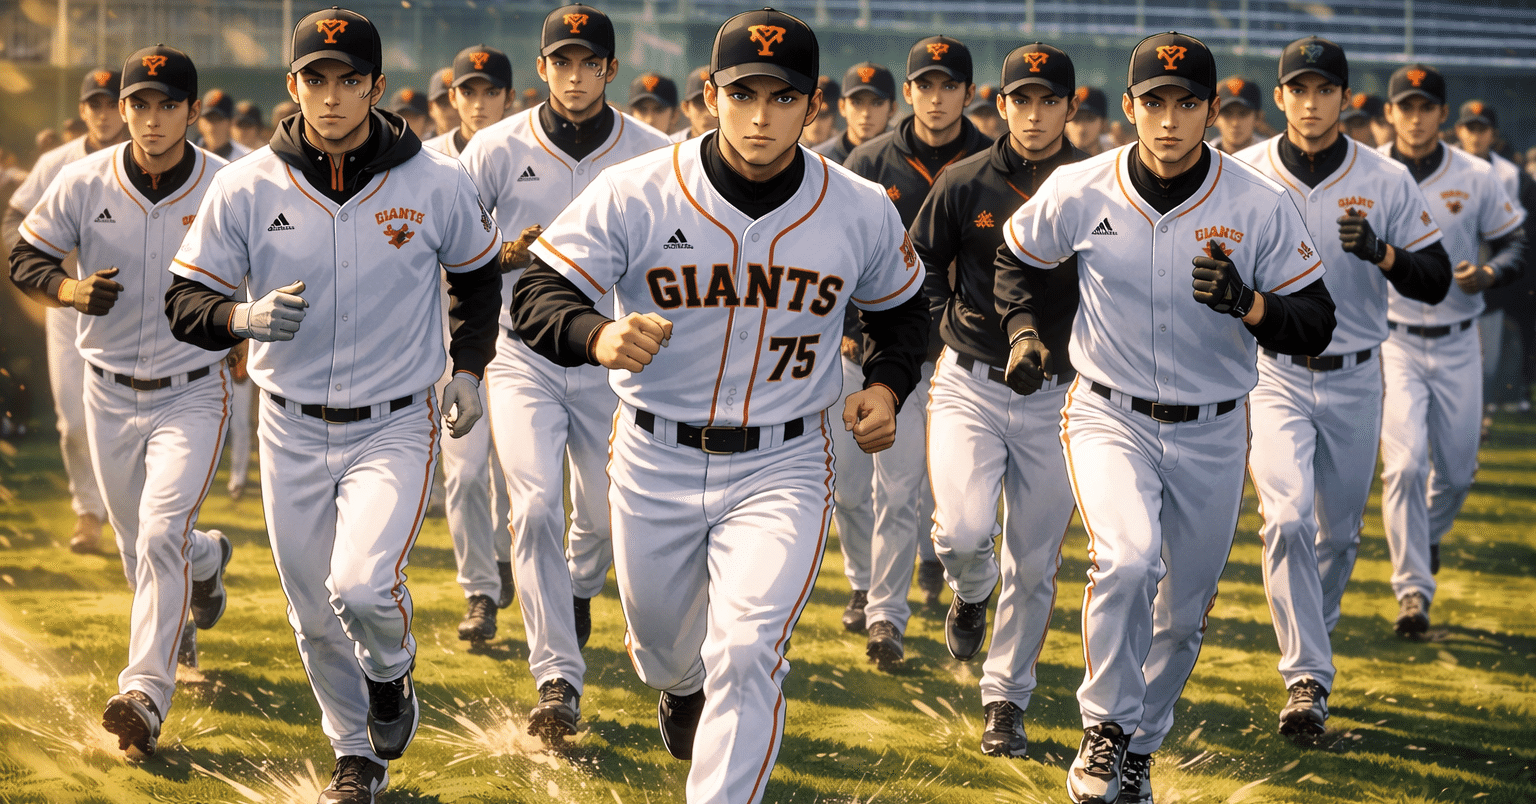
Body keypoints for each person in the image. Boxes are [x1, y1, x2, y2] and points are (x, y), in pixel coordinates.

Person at [510, 10, 927, 800]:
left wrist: (886, 383)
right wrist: (595, 334)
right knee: (664, 651)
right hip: (653, 454)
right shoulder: (637, 191)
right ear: (710, 95)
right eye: (742, 93)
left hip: (787, 459)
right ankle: (677, 681)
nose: (761, 115)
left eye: (782, 96)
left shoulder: (861, 206)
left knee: (747, 649)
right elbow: (538, 289)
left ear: (816, 106)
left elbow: (905, 310)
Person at [164, 9, 503, 802]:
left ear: (377, 88)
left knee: (358, 584)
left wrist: (470, 368)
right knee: (313, 613)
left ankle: (391, 672)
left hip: (394, 420)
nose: (331, 95)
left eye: (349, 79)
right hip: (287, 422)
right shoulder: (245, 185)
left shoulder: (435, 182)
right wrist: (239, 318)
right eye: (315, 78)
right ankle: (357, 754)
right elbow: (185, 299)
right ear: (292, 86)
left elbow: (479, 277)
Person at [996, 32, 1336, 804]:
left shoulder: (1257, 203)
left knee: (1182, 615)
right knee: (1126, 558)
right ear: (1129, 107)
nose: (1170, 119)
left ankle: (1140, 750)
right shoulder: (1084, 187)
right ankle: (1105, 728)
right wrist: (1024, 331)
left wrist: (1250, 303)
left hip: (1215, 426)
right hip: (1108, 411)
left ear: (1213, 110)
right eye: (1155, 102)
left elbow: (1316, 319)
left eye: (1187, 103)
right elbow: (1017, 256)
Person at [9, 45, 235, 759]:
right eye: (140, 102)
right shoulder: (81, 179)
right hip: (105, 389)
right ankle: (208, 560)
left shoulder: (232, 185)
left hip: (193, 392)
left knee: (158, 532)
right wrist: (68, 291)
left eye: (169, 103)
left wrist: (247, 326)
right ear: (122, 108)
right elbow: (24, 254)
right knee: (142, 547)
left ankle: (144, 693)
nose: (152, 117)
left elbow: (276, 265)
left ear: (193, 110)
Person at [458, 2, 670, 746]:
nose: (575, 76)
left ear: (610, 70)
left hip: (616, 361)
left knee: (609, 520)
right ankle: (557, 677)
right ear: (541, 67)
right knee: (537, 507)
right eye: (561, 61)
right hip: (523, 356)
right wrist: (503, 257)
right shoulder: (491, 148)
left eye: (589, 62)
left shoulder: (651, 150)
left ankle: (576, 592)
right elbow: (452, 250)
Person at [1232, 36, 1452, 745]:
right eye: (1299, 87)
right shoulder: (1245, 173)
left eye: (1325, 88)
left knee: (1338, 534)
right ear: (1281, 96)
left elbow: (1436, 277)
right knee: (1288, 518)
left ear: (1346, 98)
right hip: (1275, 375)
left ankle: (1309, 661)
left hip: (1359, 370)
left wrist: (1382, 253)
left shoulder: (1385, 178)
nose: (1311, 100)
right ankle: (1306, 677)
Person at [913, 41, 1086, 759]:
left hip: (1062, 393)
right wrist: (932, 327)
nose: (1035, 113)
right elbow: (918, 264)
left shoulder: (1094, 183)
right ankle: (971, 590)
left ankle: (1005, 700)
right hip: (970, 380)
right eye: (1022, 99)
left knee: (1036, 561)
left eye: (1050, 100)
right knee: (961, 532)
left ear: (1072, 106)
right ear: (1000, 104)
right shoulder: (964, 179)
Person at [843, 33, 991, 670]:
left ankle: (963, 592)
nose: (936, 97)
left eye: (949, 85)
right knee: (891, 490)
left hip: (959, 353)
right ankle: (885, 617)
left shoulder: (991, 161)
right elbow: (838, 250)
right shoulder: (871, 161)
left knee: (954, 502)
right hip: (881, 349)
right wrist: (850, 325)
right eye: (925, 85)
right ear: (909, 93)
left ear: (968, 93)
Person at [1378, 63, 1525, 637]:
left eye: (1425, 107)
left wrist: (1489, 271)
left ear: (1443, 114)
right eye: (1405, 106)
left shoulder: (1476, 174)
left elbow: (1515, 239)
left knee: (1458, 475)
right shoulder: (1369, 171)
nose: (1415, 117)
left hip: (1460, 336)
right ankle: (1413, 592)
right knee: (1406, 465)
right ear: (1389, 113)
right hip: (1392, 339)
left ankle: (1426, 537)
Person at [1, 67, 125, 554]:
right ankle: (87, 513)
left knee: (129, 424)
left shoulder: (145, 158)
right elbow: (15, 219)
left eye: (111, 102)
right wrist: (45, 273)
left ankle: (131, 516)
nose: (102, 111)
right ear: (82, 110)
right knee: (73, 420)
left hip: (128, 309)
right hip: (67, 304)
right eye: (93, 103)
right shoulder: (57, 162)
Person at [421, 44, 518, 641]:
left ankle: (507, 562)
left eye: (490, 91)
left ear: (509, 96)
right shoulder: (422, 162)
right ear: (451, 97)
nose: (479, 103)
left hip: (516, 339)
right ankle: (479, 590)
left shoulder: (522, 151)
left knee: (517, 476)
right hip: (442, 338)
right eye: (468, 91)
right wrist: (492, 257)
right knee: (463, 471)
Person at [1452, 100, 1536, 415]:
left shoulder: (1511, 176)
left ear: (1493, 134)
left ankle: (1480, 413)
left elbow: (1524, 235)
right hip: (1447, 276)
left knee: (1487, 359)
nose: (1475, 135)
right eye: (1469, 127)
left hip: (1493, 279)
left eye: (1481, 128)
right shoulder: (1440, 167)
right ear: (1458, 130)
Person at [813, 61, 895, 164]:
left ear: (893, 108)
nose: (866, 113)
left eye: (877, 103)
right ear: (842, 107)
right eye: (856, 102)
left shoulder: (909, 158)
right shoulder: (818, 161)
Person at [195, 89, 252, 161]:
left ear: (231, 122)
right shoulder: (183, 153)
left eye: (218, 118)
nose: (212, 125)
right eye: (208, 118)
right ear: (199, 121)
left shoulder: (246, 159)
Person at [1210, 75, 1261, 153]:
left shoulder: (1272, 157)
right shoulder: (1198, 159)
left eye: (1243, 113)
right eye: (1227, 114)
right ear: (1214, 118)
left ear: (1258, 117)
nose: (1235, 123)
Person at [674, 66, 718, 143]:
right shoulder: (668, 145)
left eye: (714, 103)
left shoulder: (742, 149)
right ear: (685, 108)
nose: (708, 113)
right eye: (700, 103)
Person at [1064, 86, 1111, 155]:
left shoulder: (1118, 157)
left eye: (1090, 118)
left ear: (1103, 123)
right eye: (1075, 119)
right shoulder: (1051, 161)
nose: (1081, 129)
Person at [800, 74, 839, 147]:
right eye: (810, 112)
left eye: (823, 115)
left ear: (834, 118)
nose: (815, 122)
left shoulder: (845, 153)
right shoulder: (784, 147)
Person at [427, 66, 461, 138]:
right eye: (443, 103)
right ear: (430, 108)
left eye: (456, 102)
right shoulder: (420, 148)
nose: (451, 111)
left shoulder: (484, 147)